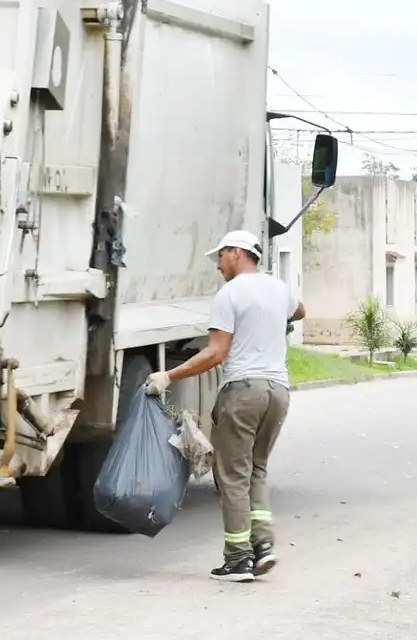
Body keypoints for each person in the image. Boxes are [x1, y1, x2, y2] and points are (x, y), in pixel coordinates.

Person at [146, 229, 304, 583]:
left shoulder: (230, 294)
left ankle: (238, 559)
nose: (218, 265)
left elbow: (216, 352)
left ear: (236, 252)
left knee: (232, 476)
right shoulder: (279, 289)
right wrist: (271, 320)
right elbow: (301, 311)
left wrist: (169, 376)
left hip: (244, 390)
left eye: (220, 256)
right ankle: (264, 546)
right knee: (256, 469)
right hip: (278, 391)